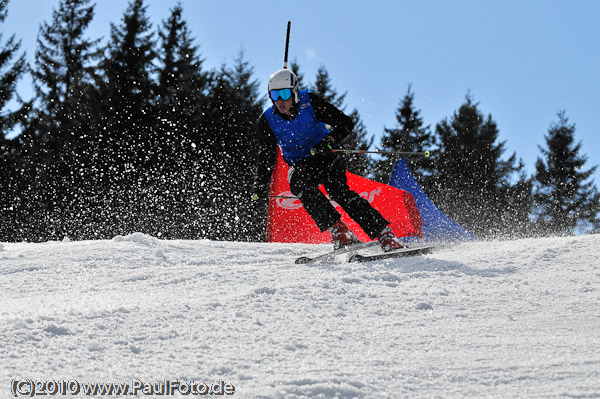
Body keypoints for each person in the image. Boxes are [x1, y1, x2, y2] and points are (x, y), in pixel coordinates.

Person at [251, 68, 403, 252]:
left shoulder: (309, 102)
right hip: (302, 164)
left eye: (284, 94)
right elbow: (266, 157)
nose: (280, 101)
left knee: (339, 192)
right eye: (275, 95)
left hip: (325, 156)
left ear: (295, 93)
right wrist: (260, 187)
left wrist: (329, 141)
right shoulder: (267, 120)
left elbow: (345, 123)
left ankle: (384, 233)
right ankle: (339, 230)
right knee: (297, 183)